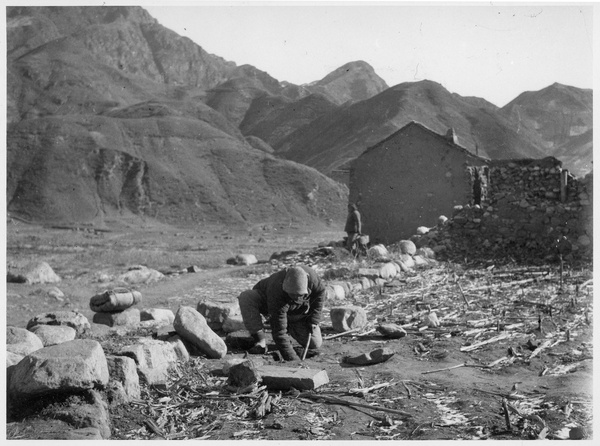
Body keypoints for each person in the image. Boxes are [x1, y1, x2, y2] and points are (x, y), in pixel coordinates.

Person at [237, 265, 325, 361]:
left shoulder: (313, 279)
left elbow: (320, 294)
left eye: (299, 295)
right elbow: (279, 332)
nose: (295, 297)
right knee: (247, 297)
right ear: (285, 286)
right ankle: (260, 341)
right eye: (292, 294)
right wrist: (292, 359)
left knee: (315, 343)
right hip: (271, 306)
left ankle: (291, 327)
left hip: (296, 313)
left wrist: (314, 320)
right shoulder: (276, 289)